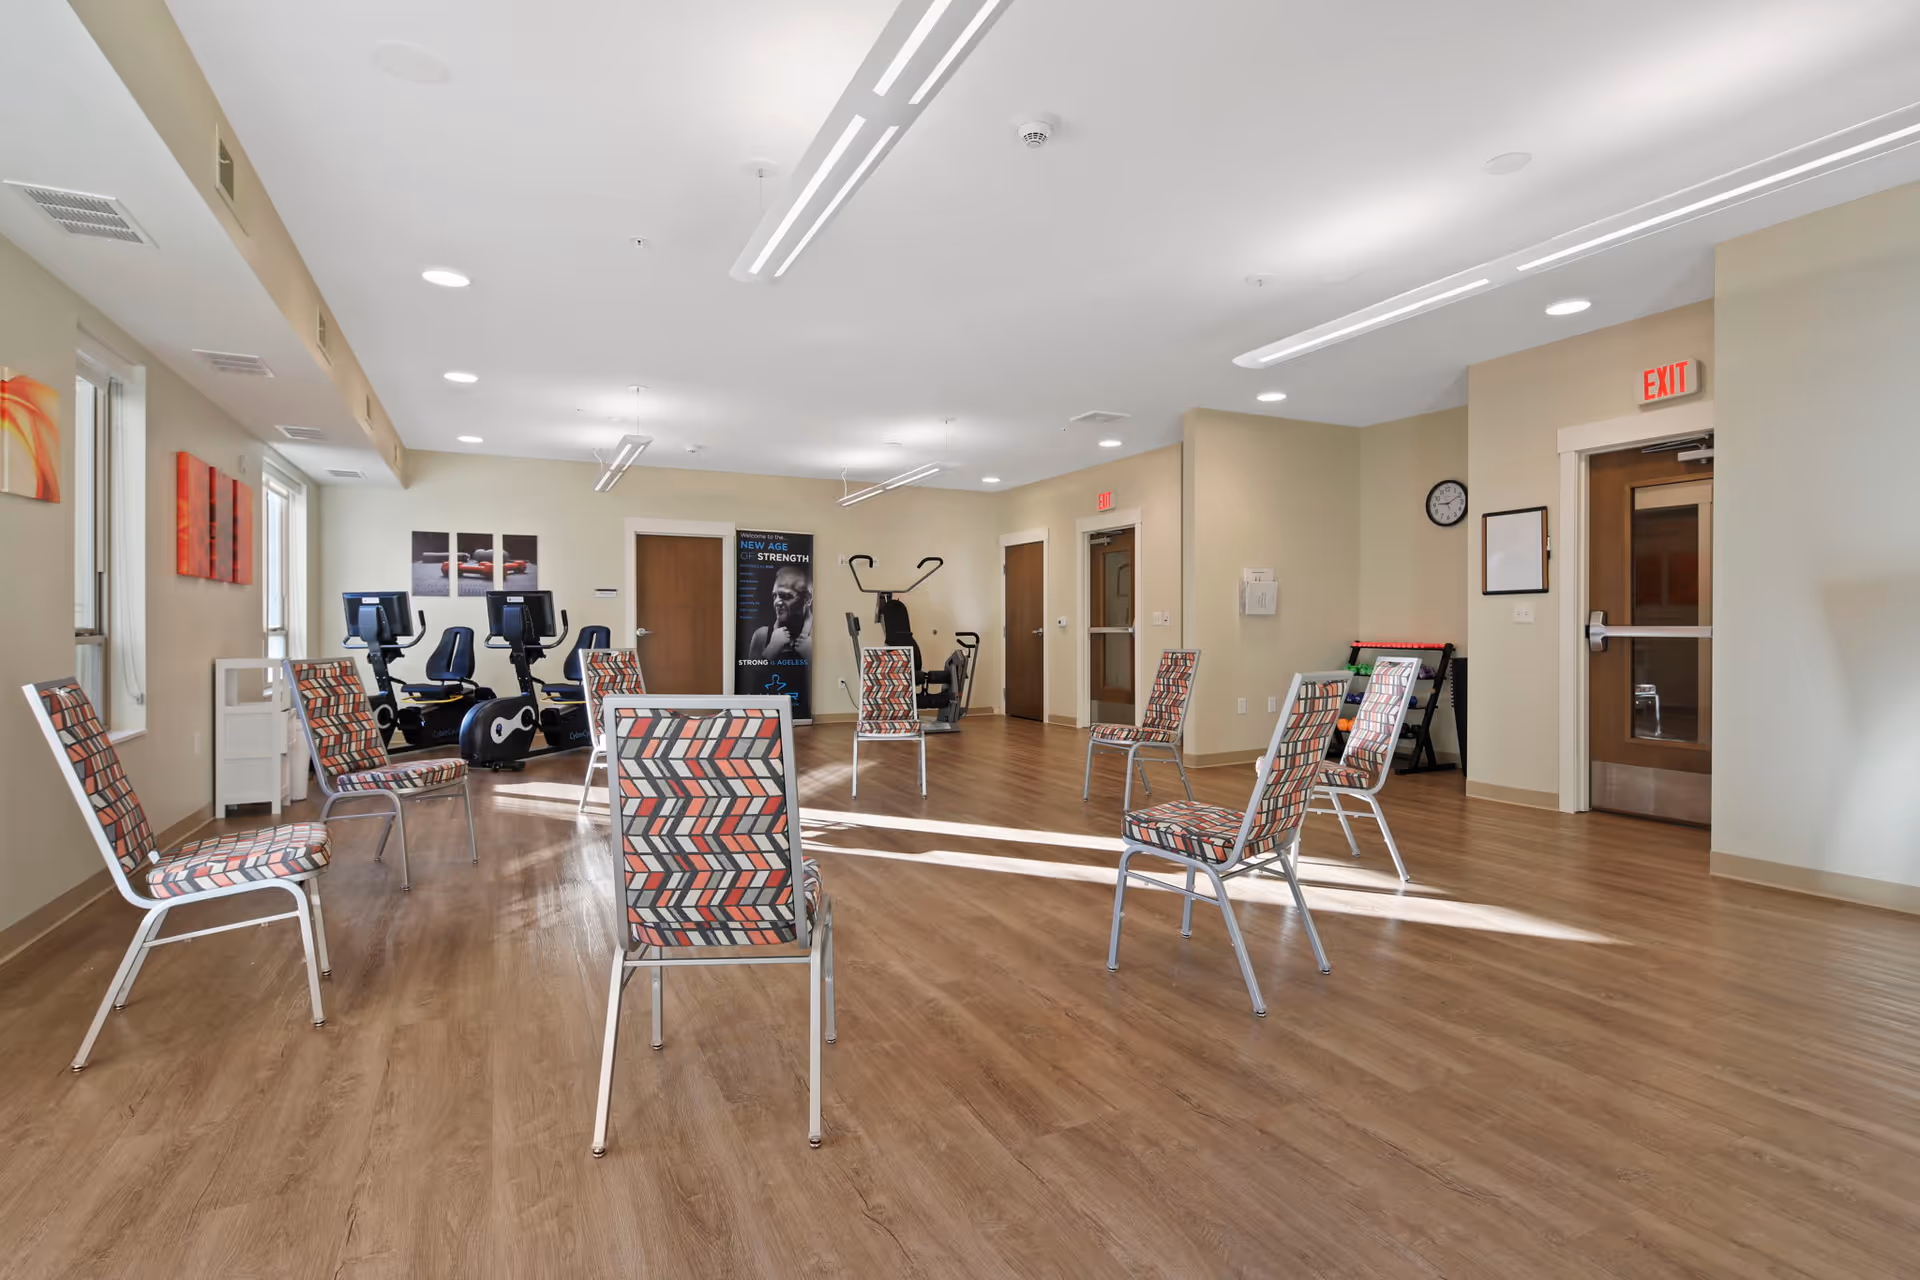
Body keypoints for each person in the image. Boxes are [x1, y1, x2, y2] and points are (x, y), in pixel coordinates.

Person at [748, 565, 813, 662]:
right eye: (775, 596)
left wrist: (810, 656)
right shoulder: (761, 636)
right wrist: (771, 649)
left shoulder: (820, 635)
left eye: (785, 596)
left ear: (807, 599)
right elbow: (751, 671)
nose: (777, 602)